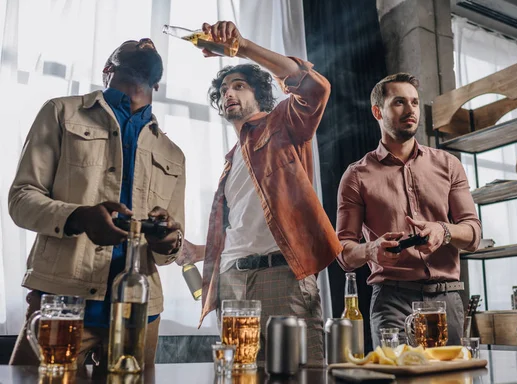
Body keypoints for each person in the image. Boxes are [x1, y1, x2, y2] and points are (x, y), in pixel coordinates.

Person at [8, 38, 185, 371]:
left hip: (141, 313)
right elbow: (21, 199)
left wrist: (167, 239)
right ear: (108, 70)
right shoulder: (60, 112)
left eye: (149, 43)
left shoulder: (173, 154)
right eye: (133, 43)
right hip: (62, 305)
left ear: (157, 84)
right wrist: (78, 217)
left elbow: (168, 252)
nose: (145, 41)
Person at [197, 21, 341, 362]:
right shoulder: (231, 162)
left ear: (259, 94)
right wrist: (195, 252)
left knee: (299, 373)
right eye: (223, 91)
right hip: (231, 280)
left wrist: (242, 46)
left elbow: (314, 89)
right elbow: (245, 228)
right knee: (237, 376)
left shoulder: (282, 125)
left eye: (239, 86)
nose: (228, 94)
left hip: (282, 276)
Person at [336, 73, 481, 349]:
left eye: (414, 102)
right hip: (392, 300)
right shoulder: (356, 176)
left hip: (447, 300)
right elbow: (343, 251)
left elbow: (473, 234)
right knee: (398, 378)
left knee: (449, 381)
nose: (411, 109)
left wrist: (443, 230)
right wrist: (371, 250)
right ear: (378, 111)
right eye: (399, 102)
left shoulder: (449, 165)